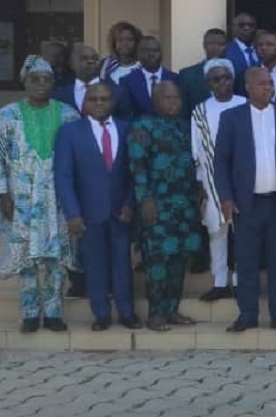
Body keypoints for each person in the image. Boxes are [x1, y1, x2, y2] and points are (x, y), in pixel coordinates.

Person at [0, 56, 80, 334]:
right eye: (34, 79)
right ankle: (28, 312)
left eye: (46, 79)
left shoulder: (68, 114)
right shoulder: (7, 115)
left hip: (57, 198)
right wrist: (3, 194)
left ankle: (53, 313)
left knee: (57, 257)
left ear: (53, 82)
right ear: (24, 81)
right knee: (25, 256)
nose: (40, 84)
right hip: (20, 197)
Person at [215, 67, 276, 333]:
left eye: (270, 83)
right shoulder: (232, 118)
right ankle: (248, 314)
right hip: (246, 203)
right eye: (262, 84)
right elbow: (221, 162)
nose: (268, 87)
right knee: (247, 261)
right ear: (248, 87)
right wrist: (226, 197)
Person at [53, 82, 138, 331]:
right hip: (88, 212)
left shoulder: (126, 129)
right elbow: (64, 176)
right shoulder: (70, 132)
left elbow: (135, 172)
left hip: (120, 211)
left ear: (113, 102)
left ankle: (127, 312)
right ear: (84, 103)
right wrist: (73, 212)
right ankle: (101, 313)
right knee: (94, 264)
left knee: (123, 263)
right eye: (93, 99)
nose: (99, 103)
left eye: (105, 99)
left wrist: (129, 203)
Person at [127, 81, 201, 331]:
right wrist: (144, 200)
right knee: (158, 260)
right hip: (157, 205)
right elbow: (137, 167)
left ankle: (172, 310)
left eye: (176, 98)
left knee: (180, 259)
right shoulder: (142, 126)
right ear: (155, 100)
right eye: (167, 98)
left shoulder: (184, 125)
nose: (173, 102)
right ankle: (155, 313)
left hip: (185, 205)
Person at [192, 60, 246, 302]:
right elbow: (196, 151)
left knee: (243, 231)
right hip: (211, 178)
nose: (222, 82)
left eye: (226, 77)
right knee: (217, 232)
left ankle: (242, 281)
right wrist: (200, 184)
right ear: (208, 83)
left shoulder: (245, 104)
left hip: (244, 177)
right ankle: (220, 281)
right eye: (216, 79)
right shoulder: (200, 111)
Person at [53, 44, 133, 120]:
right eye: (84, 58)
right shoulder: (59, 95)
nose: (90, 61)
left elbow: (126, 123)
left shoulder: (117, 91)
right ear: (72, 64)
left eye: (95, 59)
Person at [120, 36, 180, 118]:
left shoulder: (176, 79)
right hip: (139, 129)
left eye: (155, 50)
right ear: (138, 54)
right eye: (146, 51)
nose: (151, 54)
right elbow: (125, 115)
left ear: (161, 54)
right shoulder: (127, 82)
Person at [177, 28, 229, 117]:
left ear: (227, 46)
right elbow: (183, 112)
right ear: (204, 45)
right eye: (211, 44)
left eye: (221, 44)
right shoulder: (187, 75)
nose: (216, 48)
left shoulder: (236, 73)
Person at [224, 12, 259, 78]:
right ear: (233, 28)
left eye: (251, 25)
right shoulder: (225, 50)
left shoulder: (261, 48)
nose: (247, 28)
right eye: (242, 25)